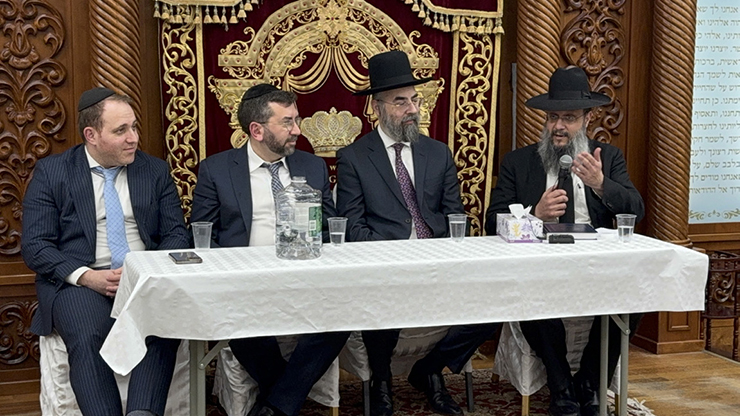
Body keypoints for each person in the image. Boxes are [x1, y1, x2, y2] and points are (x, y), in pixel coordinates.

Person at [336, 50, 499, 416]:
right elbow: (351, 227)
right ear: (376, 107)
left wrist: (440, 254)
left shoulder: (437, 153)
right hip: (384, 265)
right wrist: (397, 257)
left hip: (438, 261)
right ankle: (381, 381)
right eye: (400, 102)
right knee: (383, 294)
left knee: (494, 302)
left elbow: (455, 215)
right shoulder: (354, 158)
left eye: (414, 100)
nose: (411, 109)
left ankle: (429, 370)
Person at [484, 66, 645, 416]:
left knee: (635, 295)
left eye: (569, 118)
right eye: (553, 117)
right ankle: (562, 387)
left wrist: (601, 184)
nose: (558, 126)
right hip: (540, 267)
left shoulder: (608, 158)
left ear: (587, 118)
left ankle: (590, 382)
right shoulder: (518, 163)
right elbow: (491, 221)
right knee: (530, 294)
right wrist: (534, 214)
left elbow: (636, 210)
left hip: (596, 266)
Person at [22, 88, 190, 416]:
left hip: (144, 279)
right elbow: (36, 245)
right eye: (121, 130)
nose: (133, 138)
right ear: (92, 135)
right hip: (80, 283)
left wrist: (145, 270)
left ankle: (143, 412)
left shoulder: (154, 171)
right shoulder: (53, 172)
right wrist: (87, 277)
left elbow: (175, 234)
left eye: (134, 127)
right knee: (89, 334)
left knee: (161, 325)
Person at [190, 84, 349, 416]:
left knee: (342, 316)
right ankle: (283, 402)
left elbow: (328, 228)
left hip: (306, 278)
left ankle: (273, 406)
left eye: (297, 120)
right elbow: (203, 235)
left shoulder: (312, 167)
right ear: (257, 130)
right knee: (240, 322)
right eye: (287, 122)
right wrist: (231, 274)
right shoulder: (217, 170)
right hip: (244, 282)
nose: (298, 130)